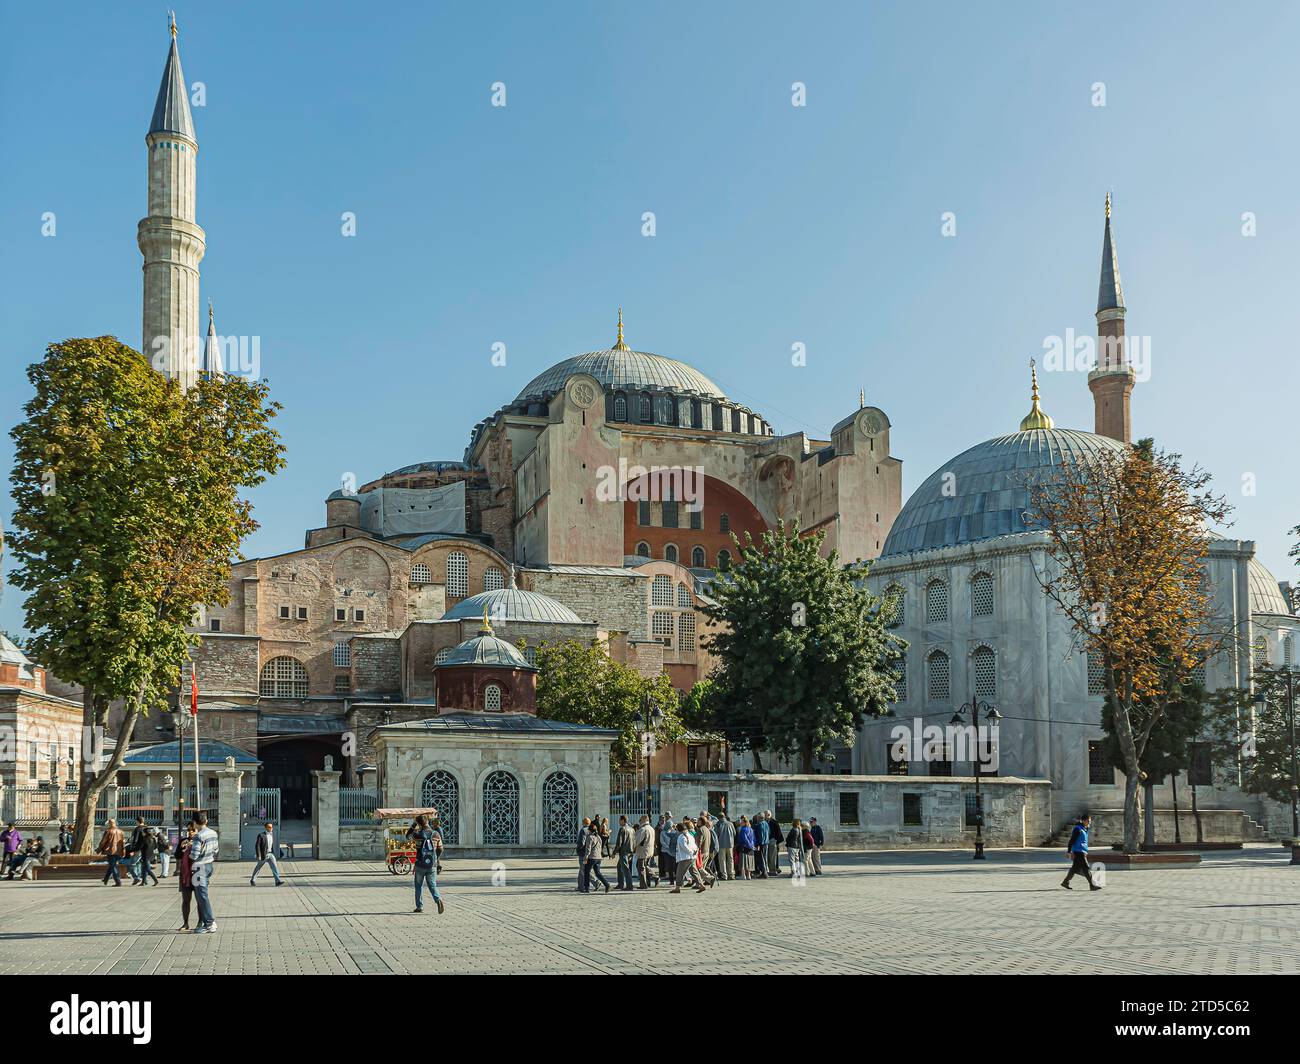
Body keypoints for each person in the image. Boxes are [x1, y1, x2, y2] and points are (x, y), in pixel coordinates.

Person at [189, 811, 219, 933]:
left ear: (195, 823)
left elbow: (194, 855)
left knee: (201, 896)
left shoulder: (198, 836)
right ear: (206, 821)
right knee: (202, 894)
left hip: (199, 867)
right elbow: (216, 850)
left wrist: (189, 849)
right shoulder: (213, 833)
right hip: (209, 865)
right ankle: (206, 922)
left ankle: (209, 923)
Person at [411, 814, 445, 914]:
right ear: (427, 822)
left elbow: (407, 835)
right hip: (432, 865)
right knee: (432, 885)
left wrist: (414, 825)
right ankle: (438, 899)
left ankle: (419, 906)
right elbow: (441, 848)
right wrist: (436, 859)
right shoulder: (436, 834)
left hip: (419, 865)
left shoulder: (417, 835)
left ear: (419, 824)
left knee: (418, 886)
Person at [1061, 814, 1101, 891]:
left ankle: (1065, 882)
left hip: (1082, 851)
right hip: (1078, 852)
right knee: (1086, 868)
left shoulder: (1085, 829)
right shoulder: (1078, 829)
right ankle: (1092, 885)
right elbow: (1071, 840)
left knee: (1074, 868)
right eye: (1087, 821)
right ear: (1083, 821)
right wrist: (1069, 851)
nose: (1089, 823)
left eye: (1089, 821)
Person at [670, 821, 706, 894]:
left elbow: (684, 846)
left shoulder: (681, 836)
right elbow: (694, 845)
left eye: (676, 830)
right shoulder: (689, 835)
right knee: (694, 871)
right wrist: (695, 851)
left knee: (679, 872)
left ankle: (677, 888)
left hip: (685, 857)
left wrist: (691, 851)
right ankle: (701, 885)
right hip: (692, 857)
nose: (676, 831)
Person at [250, 821, 285, 886]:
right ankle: (253, 880)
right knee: (258, 867)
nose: (271, 828)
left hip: (271, 854)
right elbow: (257, 845)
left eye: (271, 827)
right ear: (266, 828)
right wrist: (259, 855)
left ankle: (277, 881)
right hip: (264, 855)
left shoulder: (272, 835)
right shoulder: (261, 835)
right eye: (269, 827)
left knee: (275, 867)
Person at [175, 826, 195, 931]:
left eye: (193, 830)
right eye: (189, 830)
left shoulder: (199, 841)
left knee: (200, 900)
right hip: (185, 874)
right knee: (186, 899)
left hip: (197, 873)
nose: (190, 832)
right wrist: (182, 848)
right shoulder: (183, 841)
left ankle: (201, 922)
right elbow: (177, 856)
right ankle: (185, 923)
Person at [583, 821, 610, 893]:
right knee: (598, 873)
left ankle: (586, 888)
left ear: (589, 830)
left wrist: (586, 857)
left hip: (592, 857)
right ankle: (607, 884)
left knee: (586, 872)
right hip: (598, 857)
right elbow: (601, 847)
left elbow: (588, 849)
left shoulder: (590, 837)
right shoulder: (598, 837)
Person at [97, 819, 126, 886]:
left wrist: (99, 849)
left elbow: (103, 842)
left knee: (113, 866)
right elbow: (123, 842)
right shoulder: (121, 832)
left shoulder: (108, 831)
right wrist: (123, 850)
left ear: (109, 824)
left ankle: (118, 881)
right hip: (118, 851)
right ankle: (106, 879)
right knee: (112, 865)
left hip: (110, 851)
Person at [634, 815, 658, 889]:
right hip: (649, 850)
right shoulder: (651, 828)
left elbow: (637, 840)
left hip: (643, 851)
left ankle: (644, 884)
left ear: (644, 820)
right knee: (645, 866)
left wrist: (632, 847)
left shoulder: (643, 829)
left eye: (640, 820)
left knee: (640, 867)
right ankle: (651, 879)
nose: (639, 821)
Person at [612, 815, 635, 891]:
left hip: (624, 851)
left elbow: (619, 842)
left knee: (625, 869)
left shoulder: (622, 829)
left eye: (619, 820)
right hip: (630, 851)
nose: (618, 821)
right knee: (619, 866)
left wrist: (614, 852)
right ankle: (620, 884)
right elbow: (634, 841)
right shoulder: (632, 829)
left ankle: (629, 885)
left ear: (622, 820)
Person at [714, 812, 735, 882]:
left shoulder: (718, 824)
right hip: (730, 844)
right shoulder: (730, 823)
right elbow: (734, 833)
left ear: (719, 817)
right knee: (730, 859)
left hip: (721, 844)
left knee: (722, 860)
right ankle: (731, 874)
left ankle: (724, 875)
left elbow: (715, 835)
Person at [659, 815, 678, 886]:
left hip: (674, 851)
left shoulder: (674, 832)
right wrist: (668, 847)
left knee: (675, 866)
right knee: (669, 866)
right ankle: (671, 880)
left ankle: (677, 879)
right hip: (666, 851)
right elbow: (662, 842)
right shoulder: (663, 832)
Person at [576, 817, 592, 892]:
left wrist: (578, 849)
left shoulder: (583, 830)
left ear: (584, 822)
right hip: (589, 852)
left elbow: (582, 842)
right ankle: (580, 886)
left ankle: (596, 882)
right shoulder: (591, 830)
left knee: (583, 870)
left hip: (583, 853)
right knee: (581, 870)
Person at [765, 811, 782, 877]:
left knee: (772, 857)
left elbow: (778, 832)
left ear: (769, 815)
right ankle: (769, 869)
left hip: (772, 840)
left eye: (766, 815)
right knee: (768, 856)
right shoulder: (765, 822)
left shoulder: (774, 822)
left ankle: (773, 870)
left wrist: (776, 841)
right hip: (767, 841)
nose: (765, 816)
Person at [752, 813, 768, 878]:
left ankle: (764, 873)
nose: (757, 819)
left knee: (761, 858)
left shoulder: (759, 825)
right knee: (764, 857)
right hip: (766, 843)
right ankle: (765, 871)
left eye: (758, 818)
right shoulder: (766, 823)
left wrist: (758, 844)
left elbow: (760, 835)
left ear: (759, 818)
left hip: (761, 843)